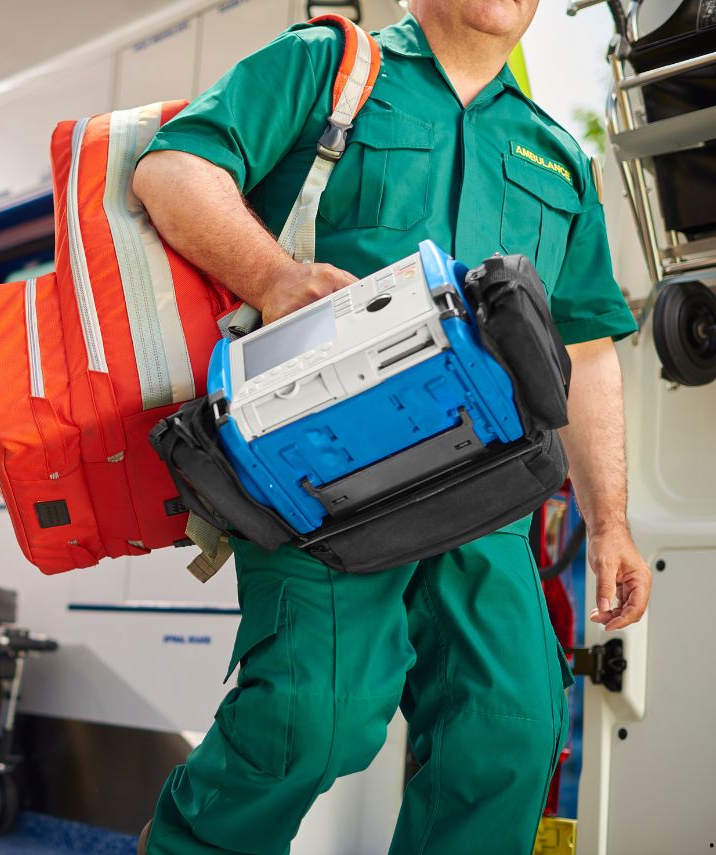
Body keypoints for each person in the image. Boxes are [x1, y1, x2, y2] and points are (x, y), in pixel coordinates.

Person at [131, 2, 651, 853]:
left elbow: (587, 351)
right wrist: (276, 277)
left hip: (485, 495)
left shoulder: (560, 159)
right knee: (311, 722)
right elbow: (174, 169)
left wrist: (611, 522)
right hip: (321, 481)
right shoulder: (326, 66)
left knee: (508, 731)